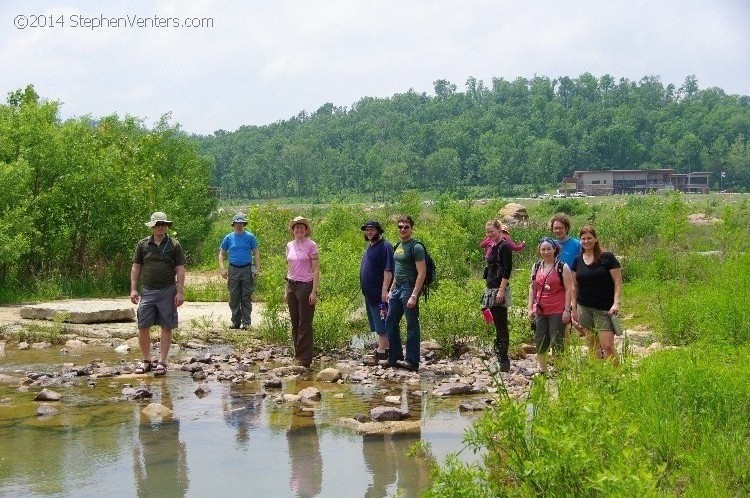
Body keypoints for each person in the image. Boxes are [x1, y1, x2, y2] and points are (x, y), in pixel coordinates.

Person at [130, 212, 185, 376]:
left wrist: (180, 292)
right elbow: (136, 267)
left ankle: (162, 362)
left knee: (166, 326)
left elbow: (180, 270)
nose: (160, 227)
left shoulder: (174, 245)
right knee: (143, 325)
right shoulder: (143, 245)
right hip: (147, 290)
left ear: (166, 226)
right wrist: (133, 288)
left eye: (163, 224)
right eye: (157, 224)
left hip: (168, 290)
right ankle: (146, 360)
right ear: (152, 226)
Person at [571, 225, 623, 361]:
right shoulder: (577, 260)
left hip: (605, 308)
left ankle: (616, 376)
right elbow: (574, 286)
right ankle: (597, 377)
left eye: (589, 238)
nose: (586, 241)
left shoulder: (607, 257)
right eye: (583, 238)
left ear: (595, 239)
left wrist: (616, 303)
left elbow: (618, 282)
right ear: (580, 240)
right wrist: (574, 307)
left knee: (608, 346)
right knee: (593, 346)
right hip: (584, 307)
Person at [384, 215, 426, 372]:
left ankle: (412, 360)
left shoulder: (416, 247)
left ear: (411, 228)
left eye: (406, 227)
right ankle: (394, 357)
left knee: (411, 323)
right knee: (390, 321)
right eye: (400, 227)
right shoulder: (398, 245)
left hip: (409, 287)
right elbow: (397, 270)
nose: (402, 229)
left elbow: (422, 273)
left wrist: (414, 294)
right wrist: (391, 290)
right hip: (398, 287)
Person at [527, 237, 573, 375]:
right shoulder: (536, 267)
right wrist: (530, 307)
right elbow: (532, 287)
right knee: (540, 340)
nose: (546, 252)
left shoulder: (562, 267)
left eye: (548, 249)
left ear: (554, 249)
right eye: (543, 249)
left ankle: (559, 369)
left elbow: (568, 289)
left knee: (557, 340)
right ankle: (543, 369)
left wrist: (567, 310)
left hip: (557, 310)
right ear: (539, 251)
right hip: (541, 310)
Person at [285, 216, 319, 369]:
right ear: (293, 230)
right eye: (296, 227)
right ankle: (297, 354)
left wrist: (314, 291)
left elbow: (316, 269)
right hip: (292, 285)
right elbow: (289, 269)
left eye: (301, 227)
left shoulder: (311, 245)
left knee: (304, 323)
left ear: (306, 230)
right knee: (295, 322)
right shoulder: (289, 245)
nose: (299, 230)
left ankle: (304, 359)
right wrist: (286, 291)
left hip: (306, 286)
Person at [481, 220, 514, 372]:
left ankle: (504, 361)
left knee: (501, 324)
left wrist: (501, 290)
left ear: (500, 230)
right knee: (493, 321)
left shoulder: (505, 246)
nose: (489, 235)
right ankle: (499, 357)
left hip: (499, 288)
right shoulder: (492, 246)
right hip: (490, 287)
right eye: (488, 232)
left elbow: (507, 269)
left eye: (492, 232)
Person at [219, 213, 260, 330]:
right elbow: (222, 253)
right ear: (233, 224)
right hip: (233, 269)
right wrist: (222, 268)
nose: (239, 225)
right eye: (237, 223)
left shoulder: (250, 237)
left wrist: (258, 268)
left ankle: (246, 323)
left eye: (241, 223)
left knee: (246, 296)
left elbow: (256, 252)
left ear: (244, 224)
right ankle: (235, 322)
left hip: (247, 268)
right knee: (234, 296)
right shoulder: (228, 238)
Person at [360, 221, 394, 362]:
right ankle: (385, 349)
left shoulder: (385, 247)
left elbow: (388, 270)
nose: (369, 232)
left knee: (382, 322)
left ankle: (382, 352)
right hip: (370, 294)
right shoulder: (370, 246)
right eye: (367, 230)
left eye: (372, 230)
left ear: (379, 231)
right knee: (376, 322)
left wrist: (385, 290)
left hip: (380, 294)